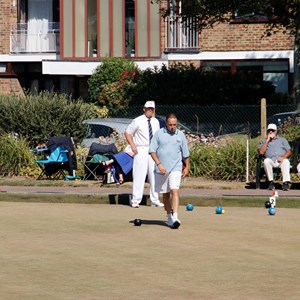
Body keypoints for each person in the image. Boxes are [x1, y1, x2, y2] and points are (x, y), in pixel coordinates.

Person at [149, 113, 190, 229]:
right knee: (166, 195)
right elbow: (152, 151)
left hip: (176, 168)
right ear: (166, 123)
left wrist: (187, 167)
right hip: (161, 169)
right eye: (170, 124)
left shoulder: (181, 135)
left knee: (175, 191)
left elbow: (186, 154)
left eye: (175, 125)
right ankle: (169, 216)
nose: (172, 127)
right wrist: (159, 164)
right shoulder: (159, 134)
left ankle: (175, 216)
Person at [125, 101, 164, 208]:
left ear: (154, 110)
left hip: (153, 150)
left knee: (154, 176)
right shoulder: (137, 120)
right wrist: (133, 146)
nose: (149, 110)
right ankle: (136, 200)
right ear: (144, 109)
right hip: (141, 149)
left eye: (151, 109)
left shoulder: (156, 122)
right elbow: (127, 133)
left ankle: (155, 199)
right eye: (147, 108)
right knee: (139, 175)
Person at [258, 123, 292, 191]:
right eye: (269, 130)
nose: (271, 132)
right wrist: (267, 141)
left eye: (273, 130)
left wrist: (283, 157)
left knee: (286, 161)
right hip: (271, 160)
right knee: (266, 161)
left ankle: (285, 183)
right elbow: (261, 152)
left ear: (276, 131)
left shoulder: (282, 140)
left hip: (281, 160)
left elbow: (289, 151)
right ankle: (271, 182)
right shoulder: (263, 141)